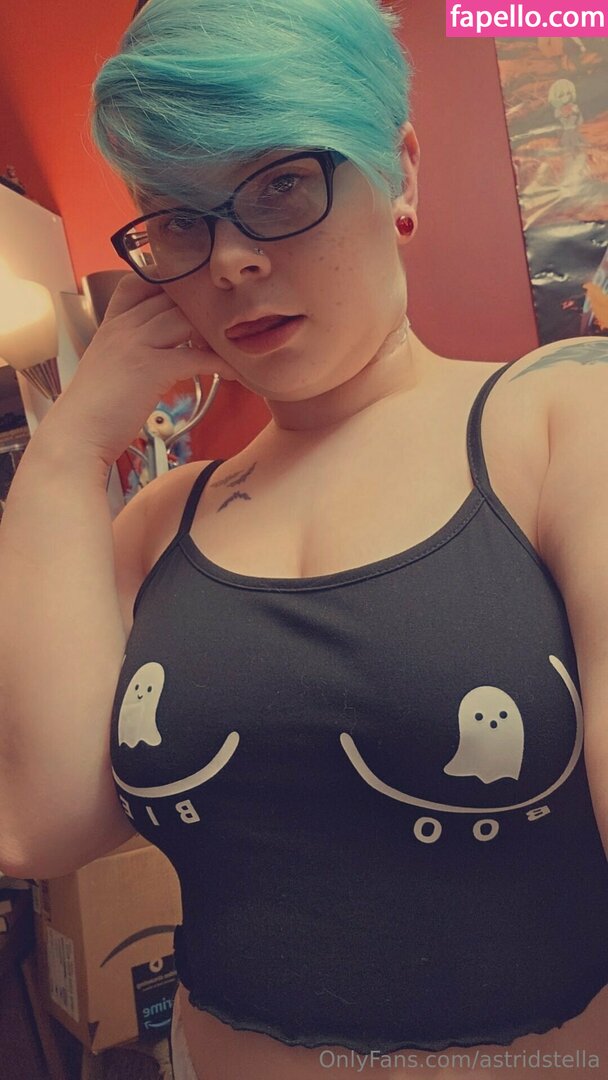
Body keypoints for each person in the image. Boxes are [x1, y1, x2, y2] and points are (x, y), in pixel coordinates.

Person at [1, 1, 608, 1078]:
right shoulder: (160, 519)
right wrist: (65, 453)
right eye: (177, 220)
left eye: (280, 183)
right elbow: (45, 826)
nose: (230, 260)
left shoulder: (563, 420)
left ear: (400, 174)